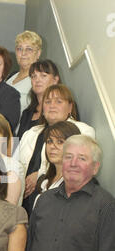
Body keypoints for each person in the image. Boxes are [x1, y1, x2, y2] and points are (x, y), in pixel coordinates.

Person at [21, 135, 115, 251]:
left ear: (95, 167)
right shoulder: (44, 200)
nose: (73, 163)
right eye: (68, 157)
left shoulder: (106, 206)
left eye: (82, 158)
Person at [18, 84, 95, 215]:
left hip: (56, 200)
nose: (52, 105)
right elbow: (16, 163)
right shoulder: (30, 132)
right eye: (47, 102)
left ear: (70, 107)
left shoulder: (83, 130)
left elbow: (77, 164)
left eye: (58, 101)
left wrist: (40, 175)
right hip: (22, 198)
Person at [33, 121, 81, 207]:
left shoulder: (78, 185)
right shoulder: (43, 181)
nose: (52, 146)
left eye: (60, 142)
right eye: (49, 141)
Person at [6, 31, 42, 133]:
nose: (23, 53)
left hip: (18, 137)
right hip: (0, 133)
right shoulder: (10, 76)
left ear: (38, 53)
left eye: (29, 49)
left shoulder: (38, 81)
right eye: (19, 49)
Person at [17, 59, 60, 139]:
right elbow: (18, 142)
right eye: (33, 76)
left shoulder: (63, 106)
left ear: (55, 80)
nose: (37, 80)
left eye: (43, 75)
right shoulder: (27, 113)